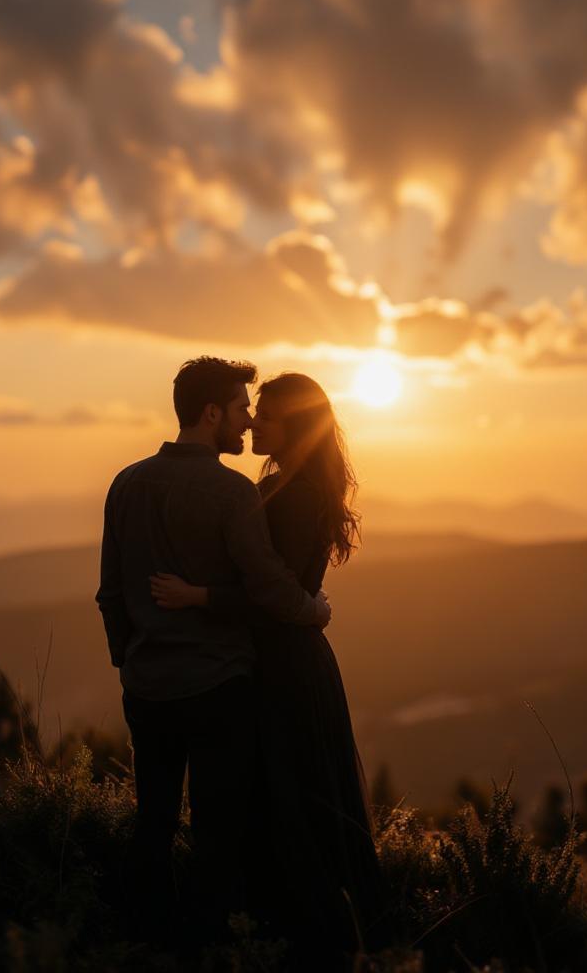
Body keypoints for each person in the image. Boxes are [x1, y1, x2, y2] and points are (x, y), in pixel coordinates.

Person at [151, 372, 388, 966]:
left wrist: (198, 596)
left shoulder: (296, 496)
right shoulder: (285, 487)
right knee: (288, 801)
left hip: (287, 667)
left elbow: (271, 594)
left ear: (297, 429)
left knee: (294, 803)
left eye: (268, 416)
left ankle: (309, 941)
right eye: (252, 411)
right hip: (283, 660)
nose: (254, 422)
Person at [95, 357, 331, 946]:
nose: (247, 420)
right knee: (217, 832)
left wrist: (131, 660)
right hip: (219, 688)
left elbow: (110, 594)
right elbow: (269, 585)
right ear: (211, 413)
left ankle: (140, 941)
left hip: (148, 690)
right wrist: (315, 611)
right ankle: (206, 949)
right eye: (240, 408)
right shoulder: (233, 492)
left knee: (151, 824)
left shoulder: (126, 482)